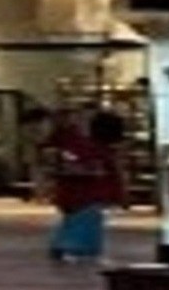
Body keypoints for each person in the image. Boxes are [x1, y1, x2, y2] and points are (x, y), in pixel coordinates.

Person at [42, 108, 127, 263]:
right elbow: (108, 173)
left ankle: (63, 245)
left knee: (74, 221)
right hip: (88, 193)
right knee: (85, 222)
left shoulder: (77, 141)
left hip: (74, 192)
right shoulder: (95, 148)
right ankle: (76, 249)